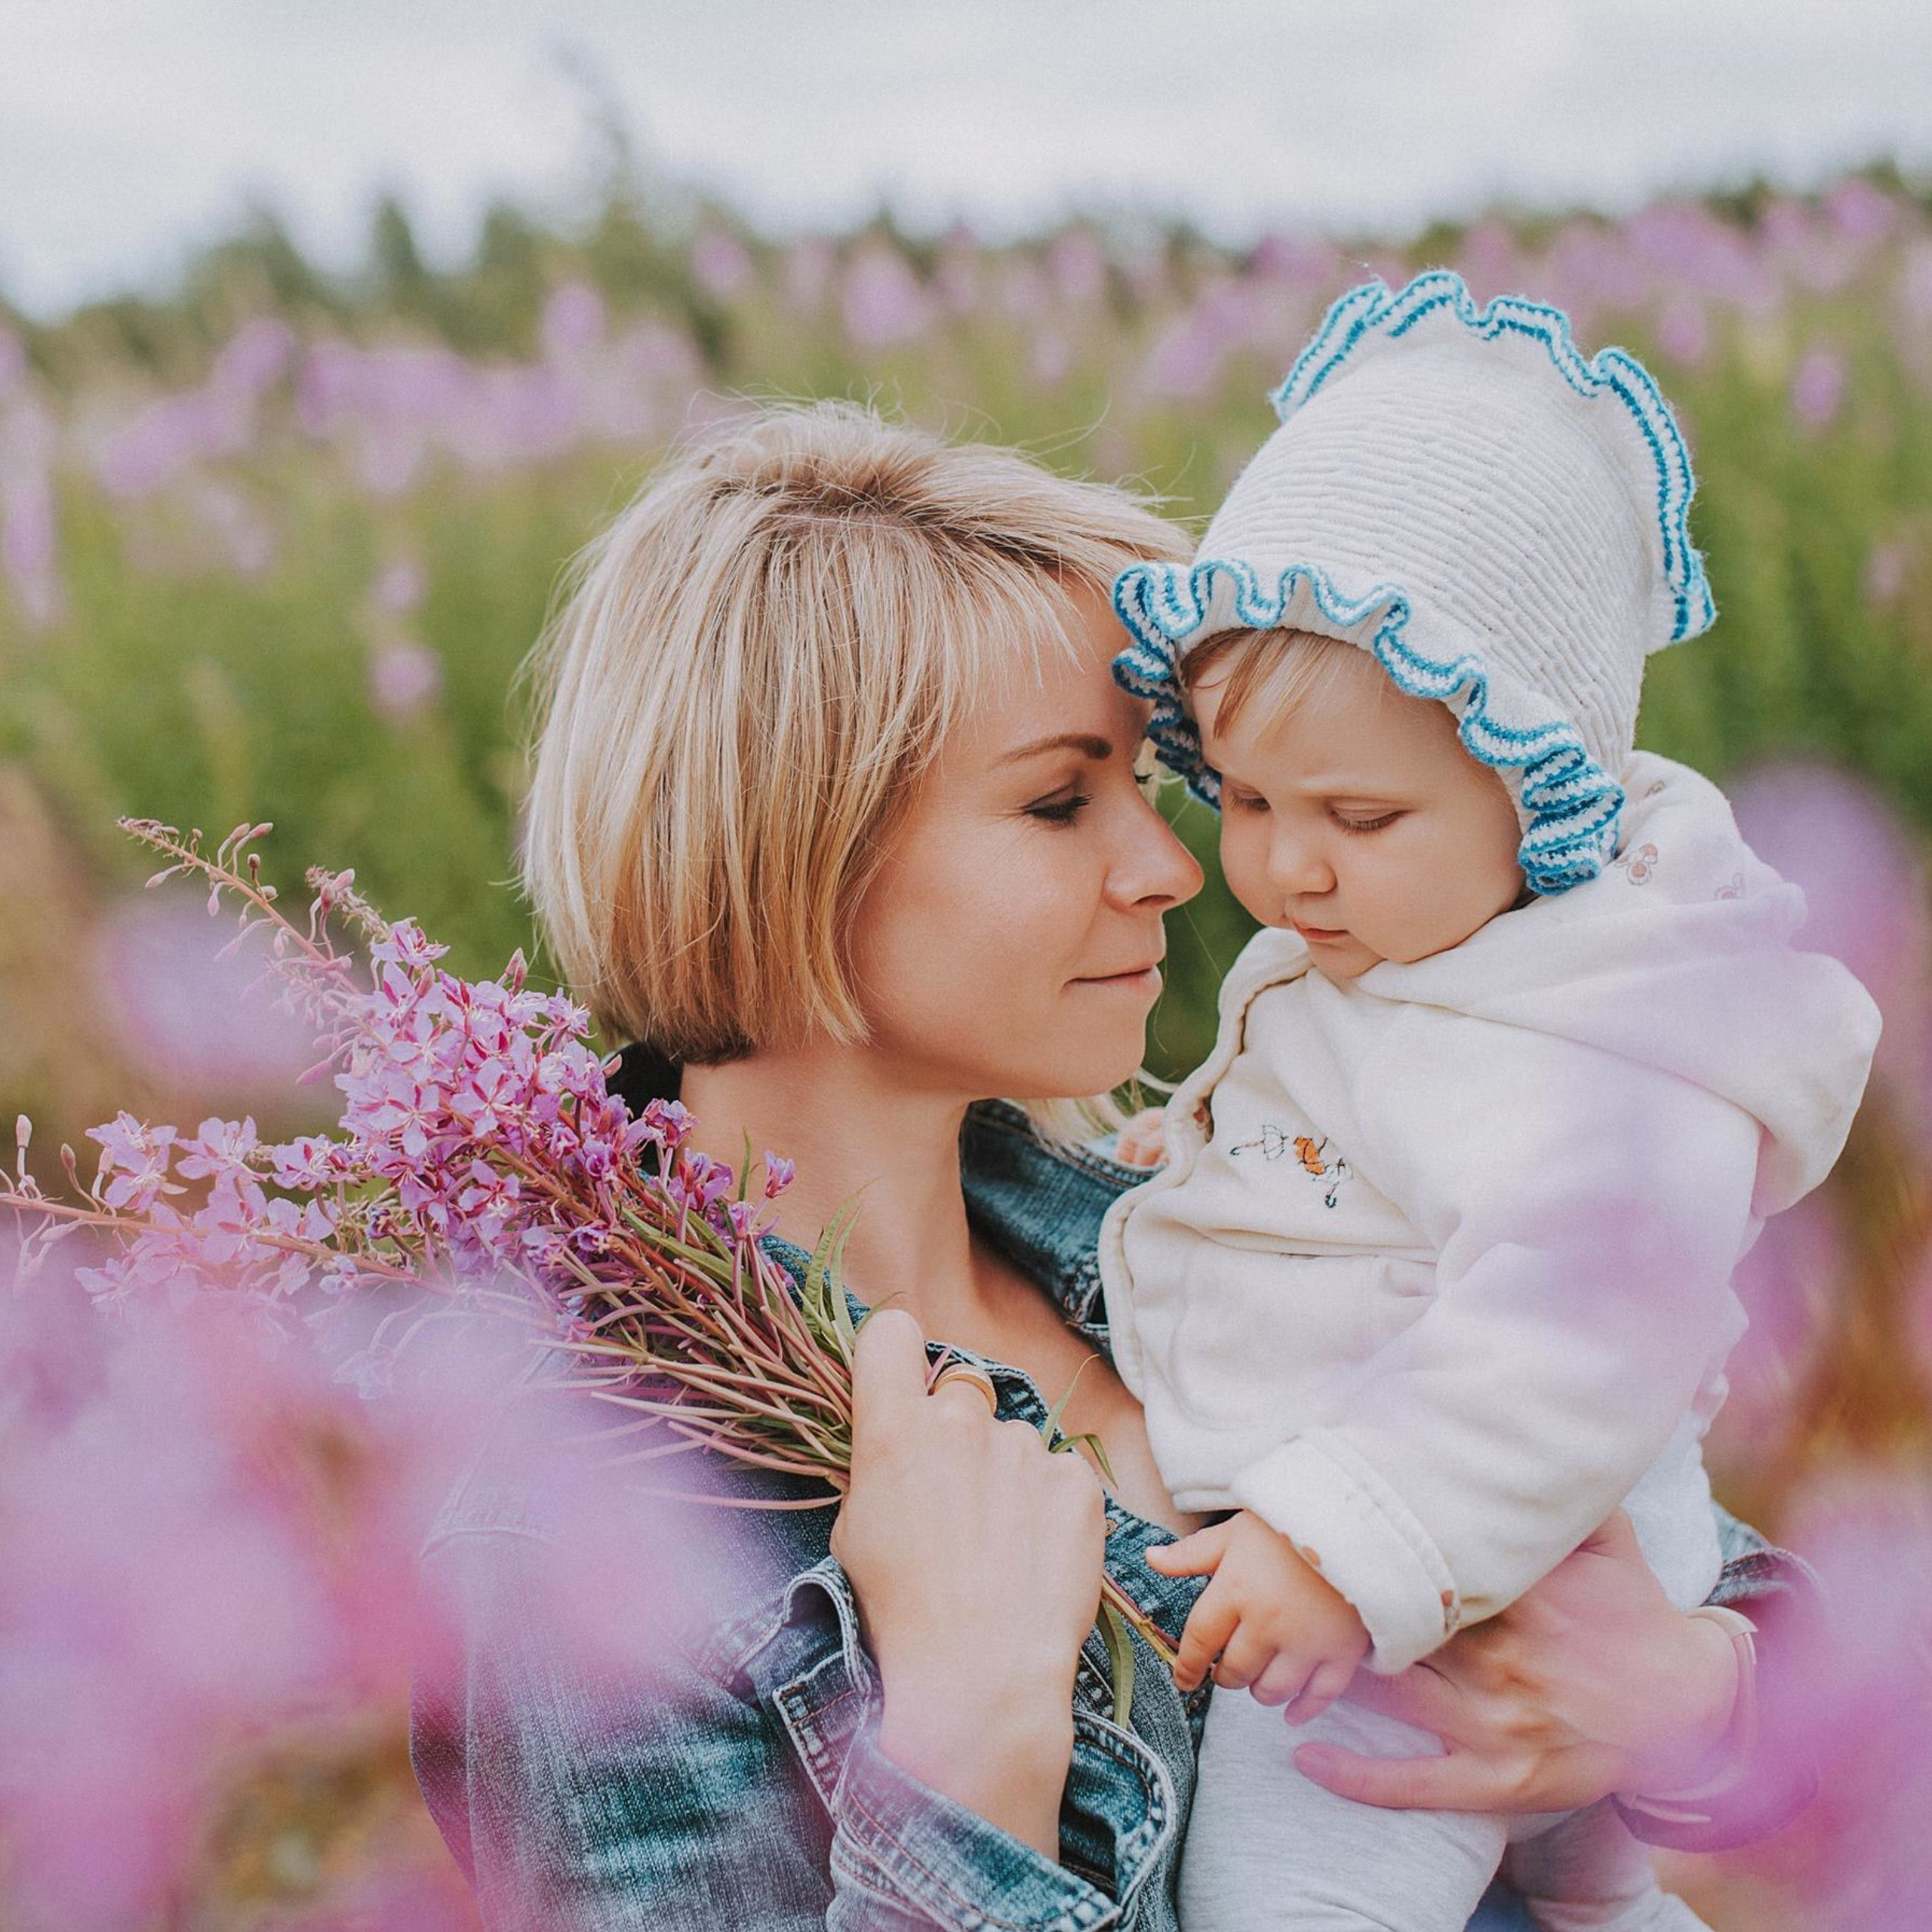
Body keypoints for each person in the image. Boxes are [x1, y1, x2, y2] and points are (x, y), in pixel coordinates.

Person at [410, 398, 1827, 1932]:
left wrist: (1688, 1697)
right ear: (788, 838)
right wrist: (964, 1766)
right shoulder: (587, 1509)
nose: (1168, 868)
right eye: (1053, 798)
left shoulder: (1178, 1220)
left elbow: (1703, 1579)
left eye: (1152, 790)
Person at [1099, 272, 1880, 1930]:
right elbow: (1336, 1133)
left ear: (1537, 798)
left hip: (1445, 1581)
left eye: (1357, 813)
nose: (1278, 861)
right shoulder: (1418, 944)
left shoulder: (1588, 1037)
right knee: (1597, 1906)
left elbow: (1582, 1328)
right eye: (1239, 795)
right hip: (1479, 1558)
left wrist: (1340, 1542)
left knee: (1285, 1893)